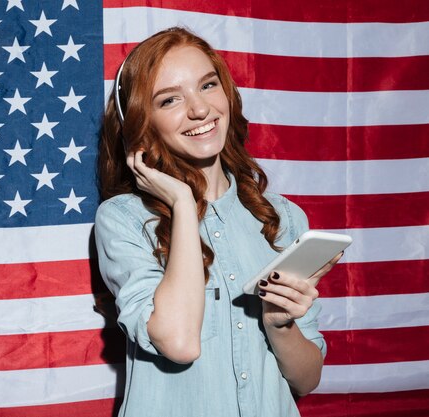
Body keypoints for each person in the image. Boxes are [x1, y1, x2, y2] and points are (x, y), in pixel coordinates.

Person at [94, 27, 342, 417]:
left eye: (207, 85)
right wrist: (181, 203)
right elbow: (179, 343)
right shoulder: (123, 218)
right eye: (170, 99)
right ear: (144, 122)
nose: (199, 109)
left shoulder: (284, 217)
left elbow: (307, 380)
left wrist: (279, 325)